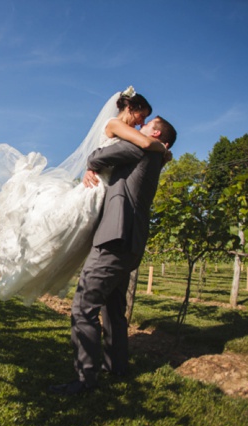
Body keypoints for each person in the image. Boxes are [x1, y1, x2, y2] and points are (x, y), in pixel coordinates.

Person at [0, 87, 168, 305]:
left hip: (104, 187)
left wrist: (92, 166)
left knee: (72, 241)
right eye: (141, 116)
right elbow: (145, 143)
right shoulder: (114, 124)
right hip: (96, 188)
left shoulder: (125, 132)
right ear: (130, 107)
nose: (140, 123)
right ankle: (27, 263)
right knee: (62, 230)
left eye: (145, 119)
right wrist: (164, 150)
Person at [50, 115, 177, 396]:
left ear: (154, 133)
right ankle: (116, 366)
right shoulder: (153, 155)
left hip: (114, 240)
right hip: (131, 243)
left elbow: (98, 154)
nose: (137, 128)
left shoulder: (140, 147)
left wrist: (92, 160)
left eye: (145, 125)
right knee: (114, 310)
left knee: (83, 308)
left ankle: (85, 379)